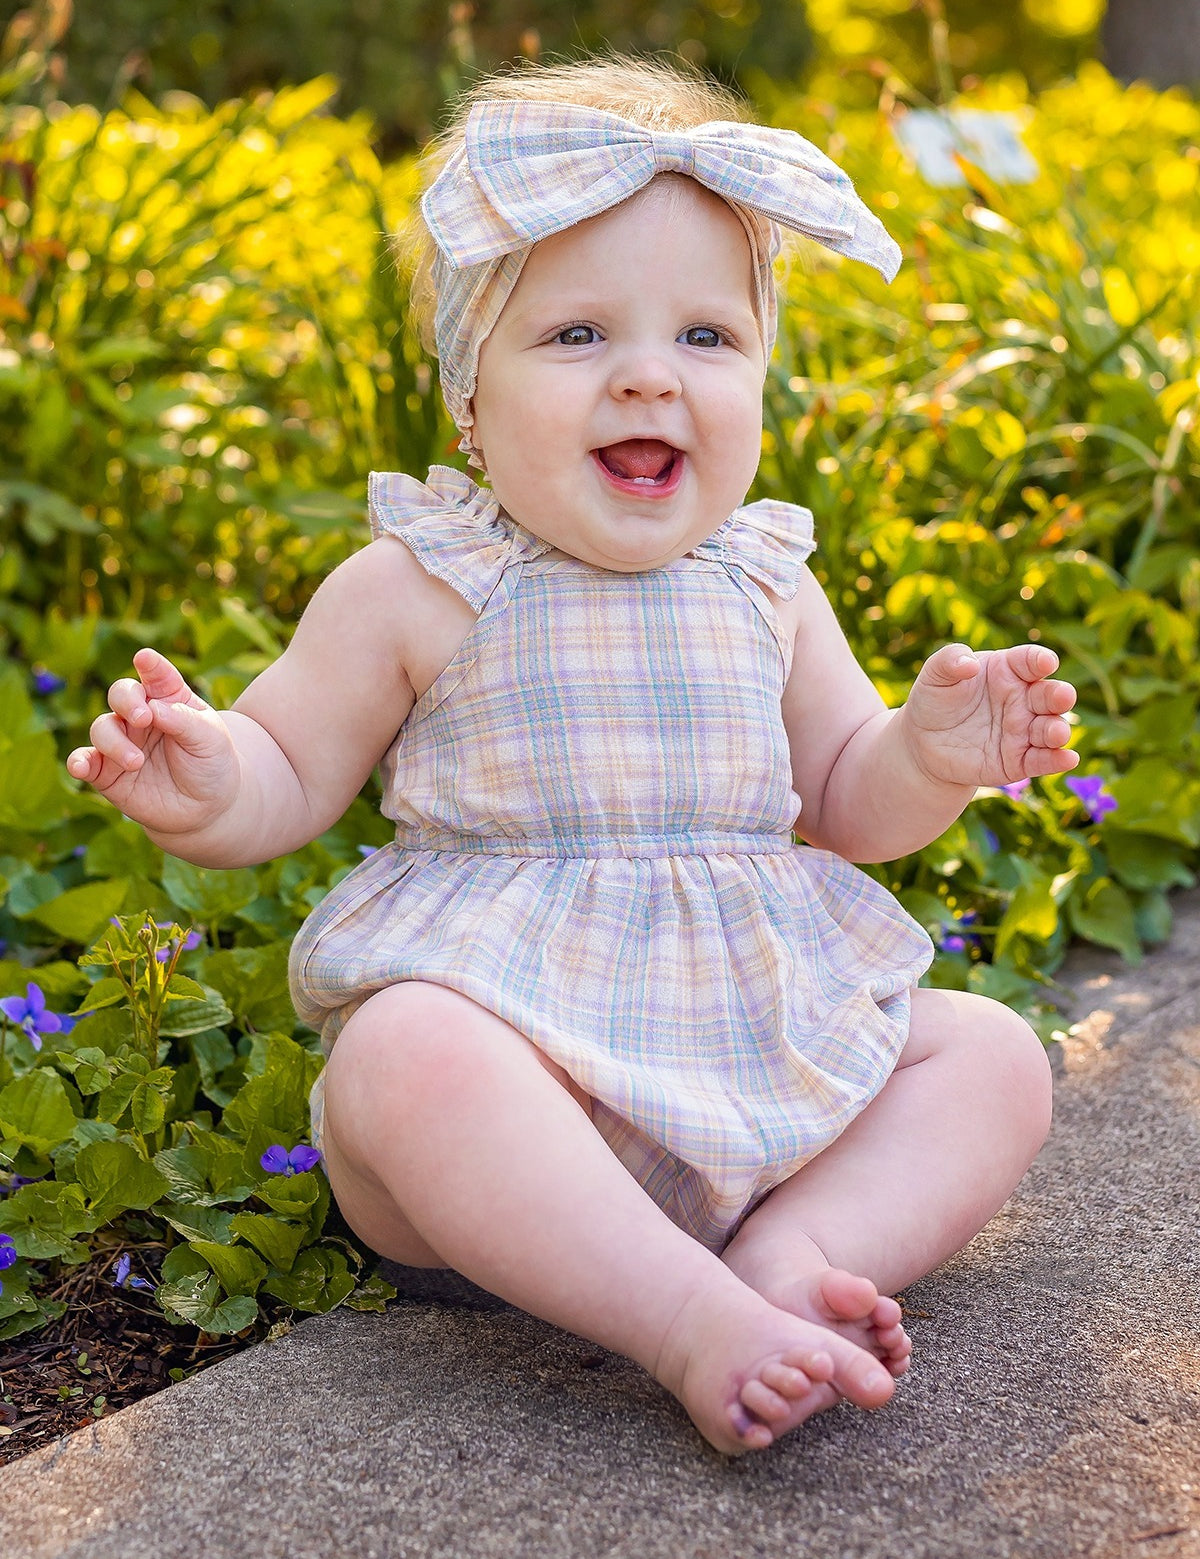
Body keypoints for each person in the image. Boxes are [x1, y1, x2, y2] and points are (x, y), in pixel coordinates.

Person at [66, 56, 1076, 1456]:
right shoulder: (424, 581)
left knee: (992, 1059)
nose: (651, 374)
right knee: (401, 1056)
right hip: (510, 1129)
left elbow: (848, 799)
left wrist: (928, 749)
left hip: (753, 1077)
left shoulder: (767, 582)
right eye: (580, 334)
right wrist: (215, 779)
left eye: (708, 340)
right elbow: (290, 765)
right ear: (471, 403)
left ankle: (794, 1257)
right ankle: (686, 1319)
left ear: (762, 379)